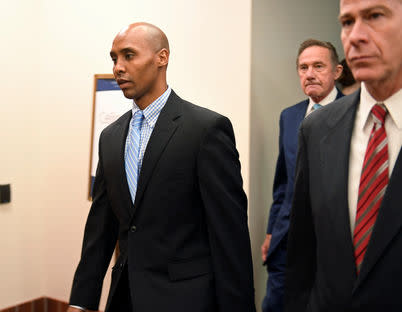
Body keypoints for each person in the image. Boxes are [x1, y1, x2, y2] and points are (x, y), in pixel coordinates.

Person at [67, 22, 256, 312]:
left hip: (187, 299)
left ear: (162, 58)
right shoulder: (111, 137)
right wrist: (81, 301)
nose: (118, 67)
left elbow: (229, 236)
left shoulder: (205, 130)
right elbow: (101, 228)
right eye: (114, 58)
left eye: (128, 55)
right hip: (125, 297)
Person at [285, 0, 402, 311]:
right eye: (347, 22)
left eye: (375, 16)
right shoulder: (317, 129)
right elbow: (302, 253)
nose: (356, 36)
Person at [261, 39, 343, 312]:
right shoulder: (290, 116)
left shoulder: (355, 114)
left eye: (318, 66)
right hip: (286, 240)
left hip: (333, 243)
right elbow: (282, 182)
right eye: (303, 67)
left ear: (337, 72)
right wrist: (272, 231)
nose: (309, 74)